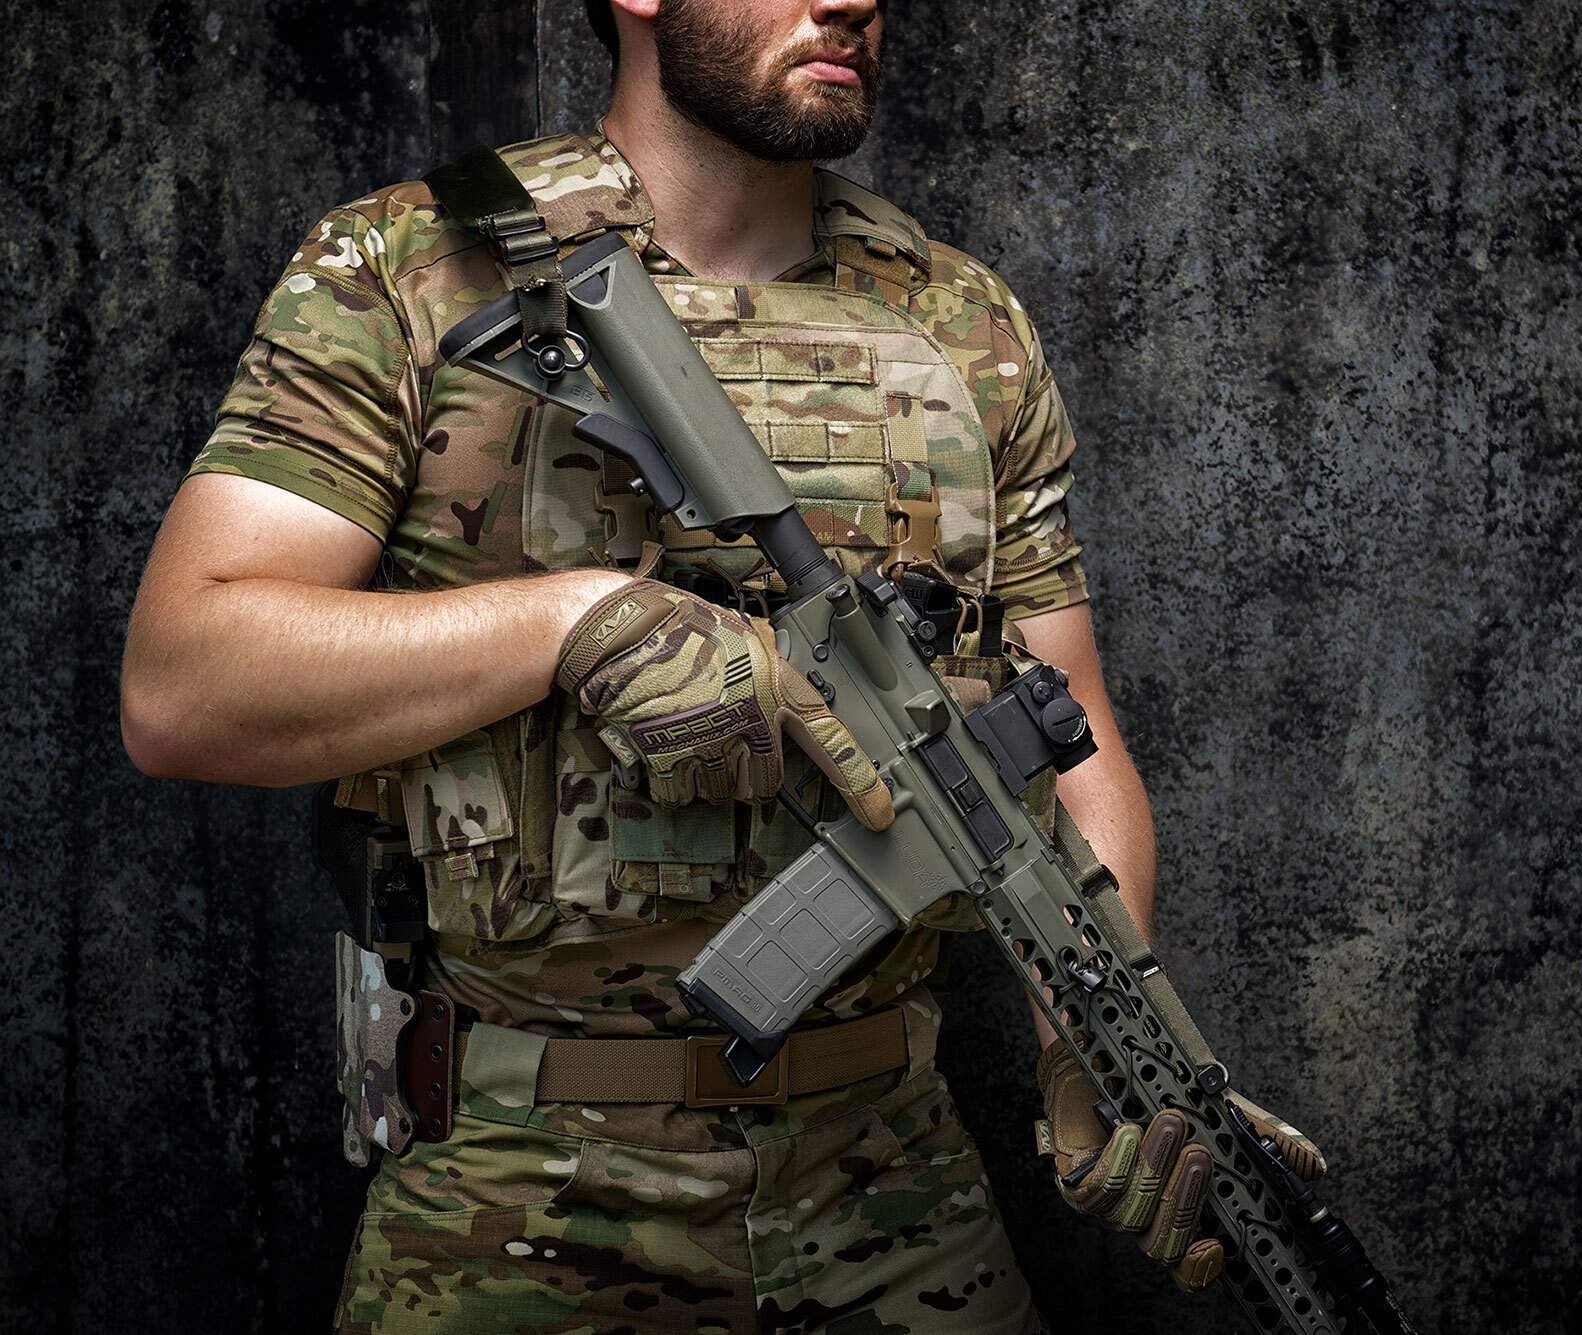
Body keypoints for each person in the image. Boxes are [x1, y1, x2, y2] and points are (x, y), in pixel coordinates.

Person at [121, 0, 1245, 1328]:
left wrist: (1093, 1057)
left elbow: (1074, 749)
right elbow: (184, 683)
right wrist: (574, 625)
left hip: (896, 1189)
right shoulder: (410, 270)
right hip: (514, 1199)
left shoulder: (963, 323)